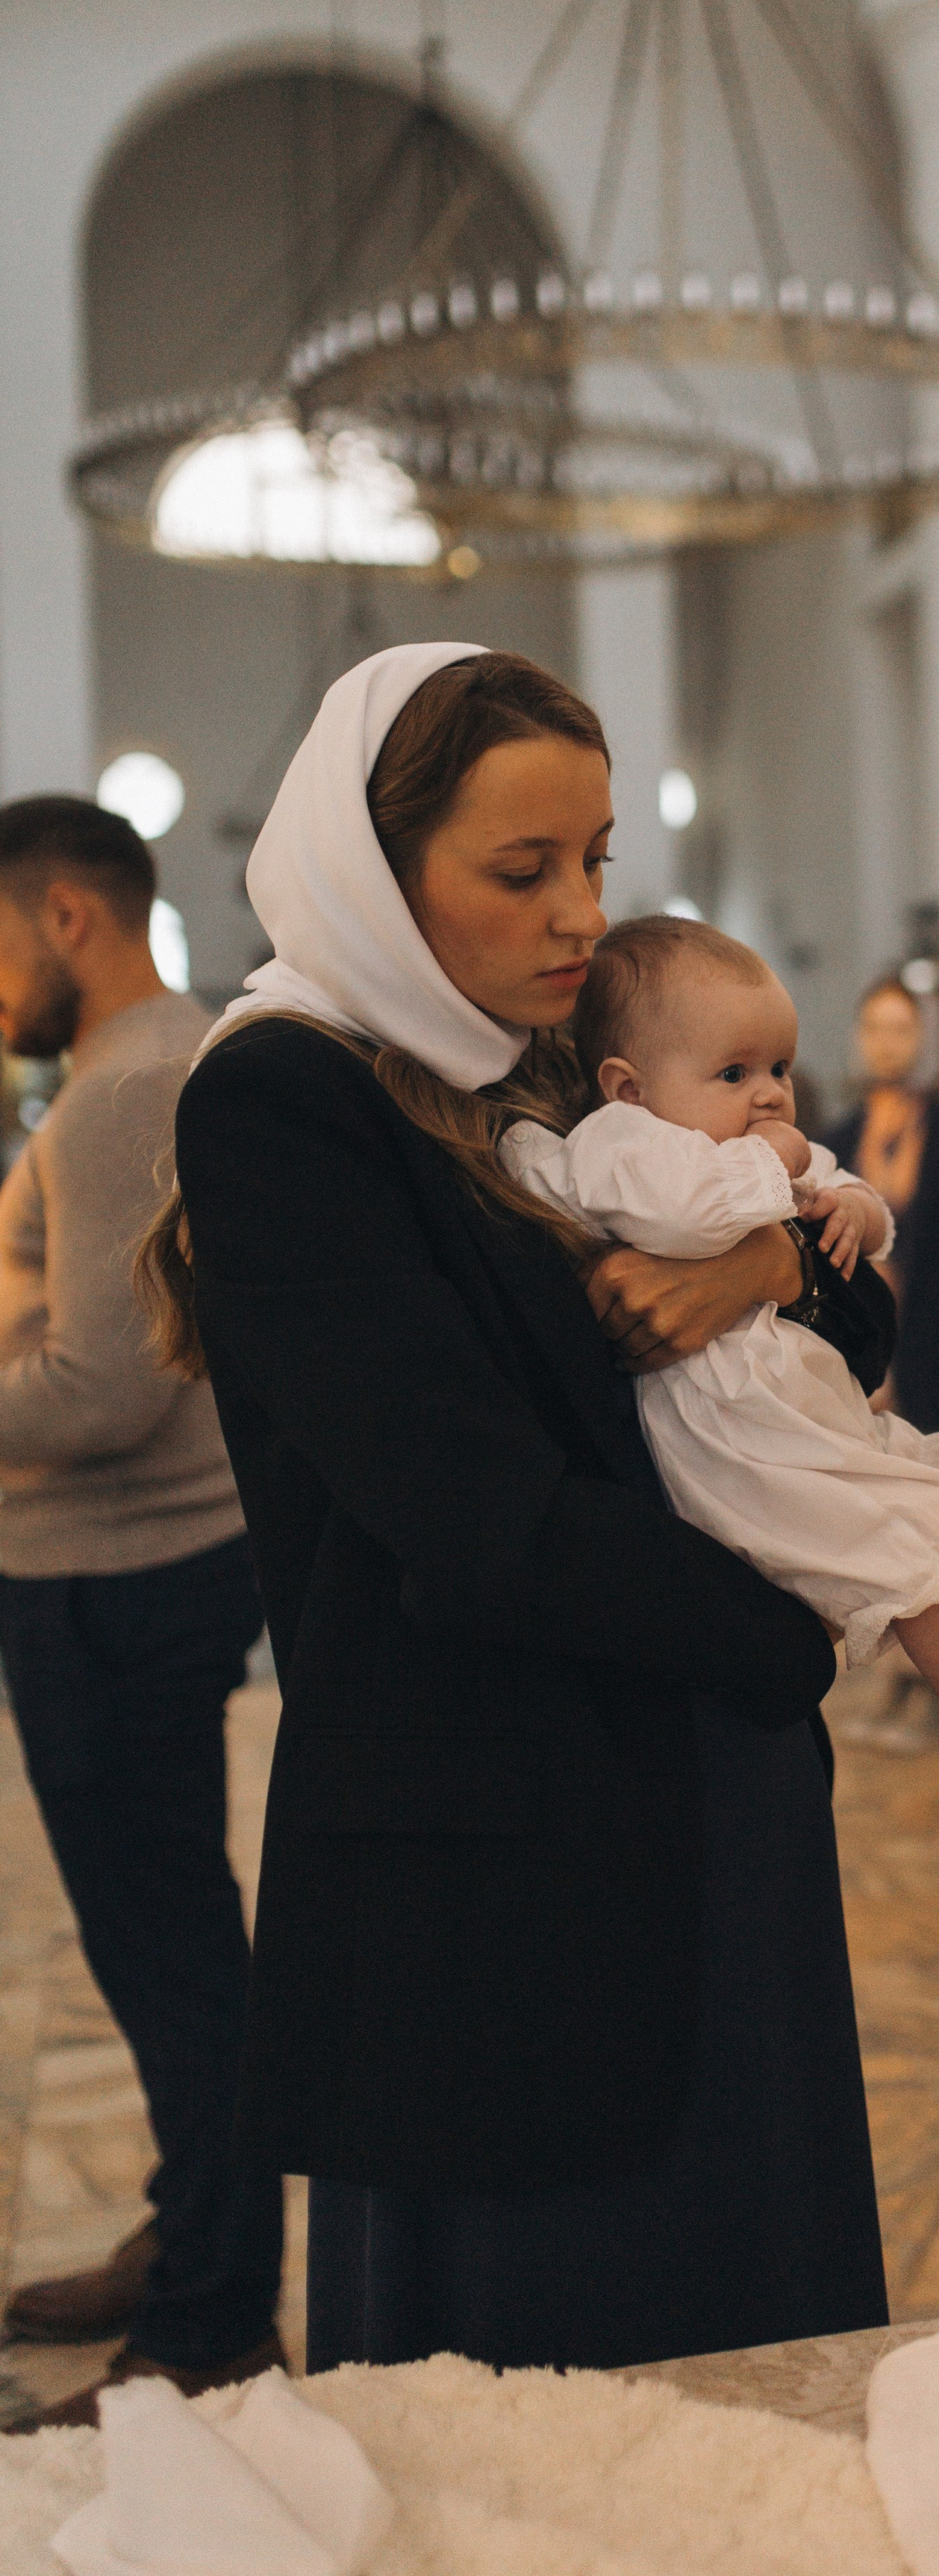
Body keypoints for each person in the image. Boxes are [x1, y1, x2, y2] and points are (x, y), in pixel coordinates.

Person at [144, 642, 893, 2377]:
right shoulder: (286, 1095)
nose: (577, 914)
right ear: (379, 871)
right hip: (501, 1837)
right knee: (551, 2397)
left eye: (595, 860)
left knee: (745, 2349)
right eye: (520, 869)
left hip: (683, 1779)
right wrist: (782, 1638)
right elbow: (464, 1514)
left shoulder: (555, 1069)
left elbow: (861, 1313)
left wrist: (767, 1258)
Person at [504, 917, 939, 1753]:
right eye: (734, 1071)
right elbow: (687, 1214)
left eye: (779, 1067)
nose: (771, 1091)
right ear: (629, 1089)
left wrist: (853, 1208)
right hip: (750, 1449)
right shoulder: (622, 1147)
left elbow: (852, 1201)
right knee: (918, 1546)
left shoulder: (748, 1141)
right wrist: (775, 1166)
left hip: (813, 1416)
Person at [0, 797, 282, 2430]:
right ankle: (195, 2240)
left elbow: (99, 1392)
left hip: (115, 1571)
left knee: (171, 1957)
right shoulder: (158, 1066)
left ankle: (210, 2319)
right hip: (125, 1571)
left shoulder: (121, 1093)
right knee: (163, 1942)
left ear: (64, 918)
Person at [823, 976, 939, 1437]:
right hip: (858, 1348)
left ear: (923, 1038)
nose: (887, 1044)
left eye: (901, 1030)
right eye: (875, 1029)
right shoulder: (832, 1143)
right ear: (858, 1037)